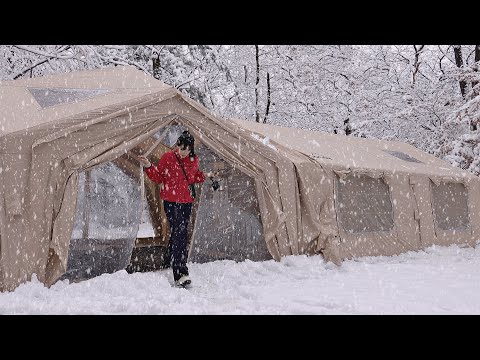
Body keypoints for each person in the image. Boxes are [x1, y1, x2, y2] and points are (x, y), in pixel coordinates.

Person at [137, 130, 215, 288]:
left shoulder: (194, 159)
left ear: (191, 148)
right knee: (179, 232)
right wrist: (148, 166)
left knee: (180, 231)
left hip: (186, 202)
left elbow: (192, 177)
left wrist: (206, 175)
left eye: (185, 148)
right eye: (180, 147)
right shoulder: (168, 158)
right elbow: (158, 177)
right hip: (171, 202)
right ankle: (180, 272)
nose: (182, 151)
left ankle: (170, 257)